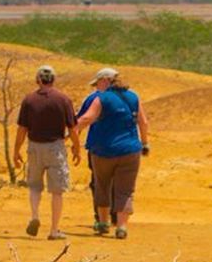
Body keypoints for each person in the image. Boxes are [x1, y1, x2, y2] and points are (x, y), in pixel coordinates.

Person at [76, 67, 149, 240]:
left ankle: (103, 223)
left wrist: (71, 134)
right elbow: (143, 122)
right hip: (130, 149)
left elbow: (86, 118)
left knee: (102, 185)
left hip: (103, 150)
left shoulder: (101, 98)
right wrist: (144, 143)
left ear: (106, 81)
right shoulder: (133, 97)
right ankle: (122, 227)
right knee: (125, 190)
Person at [13, 65, 81, 240]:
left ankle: (35, 216)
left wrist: (16, 150)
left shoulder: (29, 100)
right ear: (53, 80)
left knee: (35, 186)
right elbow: (72, 128)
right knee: (57, 190)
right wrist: (77, 148)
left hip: (34, 147)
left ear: (38, 80)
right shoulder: (63, 100)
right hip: (55, 147)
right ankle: (54, 230)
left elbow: (22, 129)